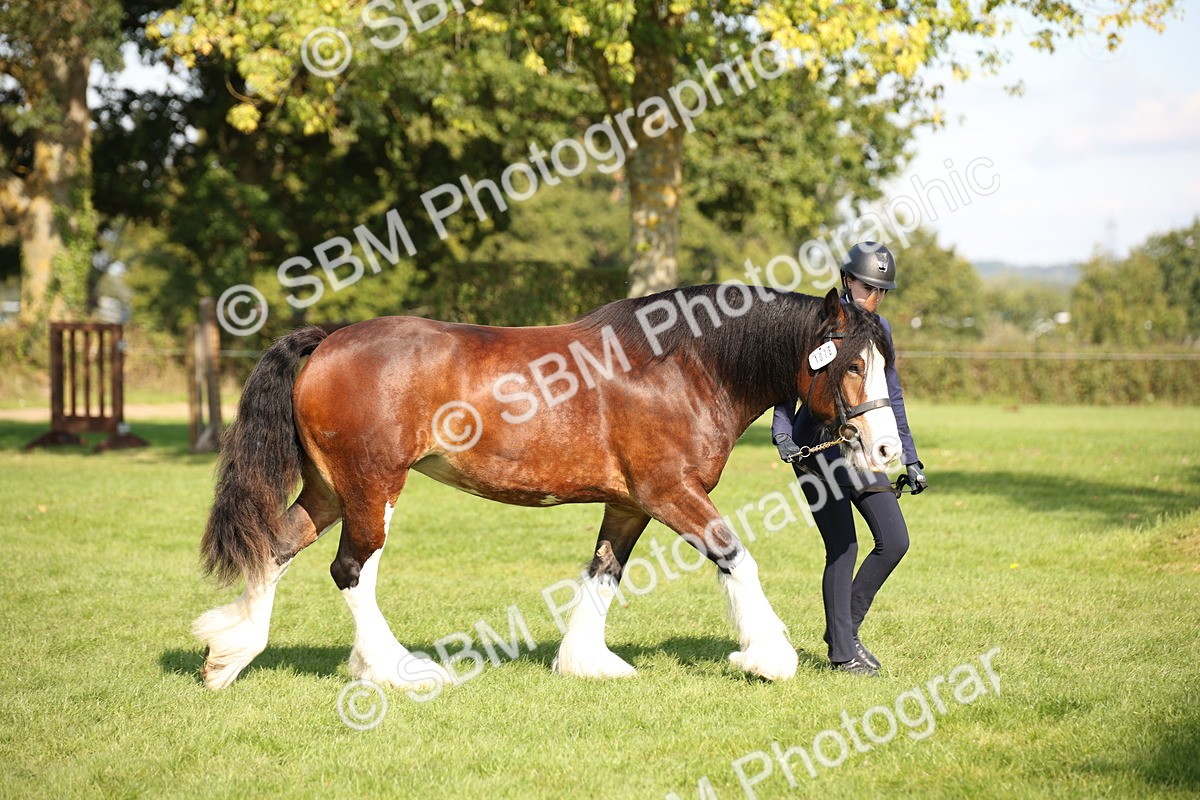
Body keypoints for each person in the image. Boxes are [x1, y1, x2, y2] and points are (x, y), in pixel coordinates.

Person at [771, 241, 928, 676]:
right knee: (843, 547)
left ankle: (844, 631)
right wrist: (782, 433)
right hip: (817, 449)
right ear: (846, 281)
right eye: (866, 287)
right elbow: (790, 381)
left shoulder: (881, 330)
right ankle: (843, 653)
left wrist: (910, 458)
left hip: (862, 446)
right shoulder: (818, 324)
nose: (873, 298)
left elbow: (888, 396)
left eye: (881, 291)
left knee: (895, 540)